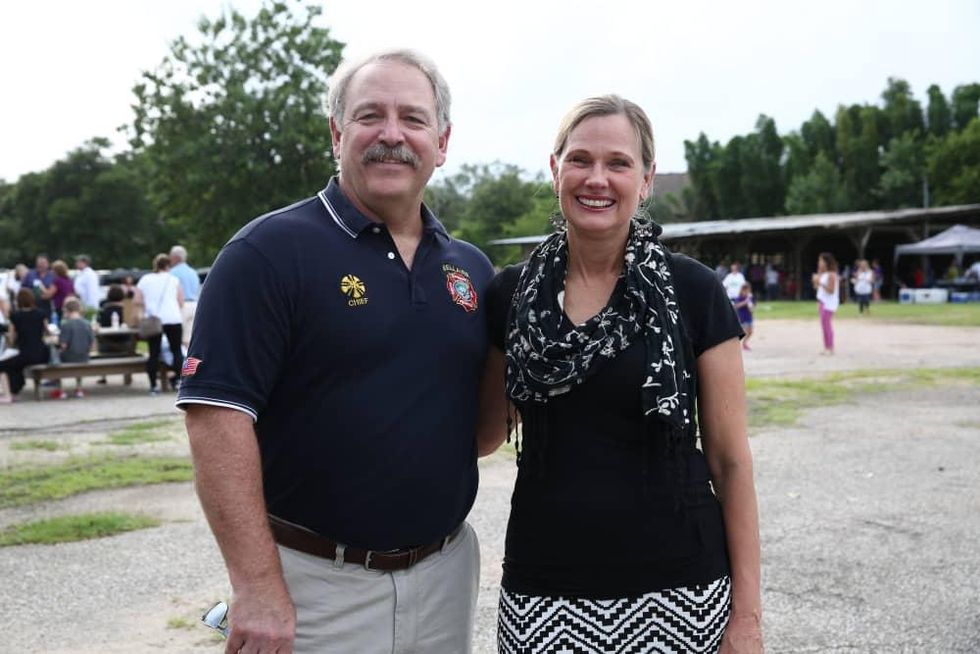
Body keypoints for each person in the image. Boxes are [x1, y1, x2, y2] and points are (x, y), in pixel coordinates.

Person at [177, 49, 493, 654]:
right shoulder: (267, 253)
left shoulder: (470, 269)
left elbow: (475, 431)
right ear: (336, 132)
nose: (392, 135)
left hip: (447, 574)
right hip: (312, 586)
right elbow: (216, 422)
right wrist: (257, 586)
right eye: (371, 115)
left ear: (443, 140)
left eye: (414, 119)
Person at [479, 96, 762, 653]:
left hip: (681, 590)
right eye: (580, 159)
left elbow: (731, 463)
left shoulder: (694, 292)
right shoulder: (510, 295)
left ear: (647, 178)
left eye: (619, 163)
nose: (597, 179)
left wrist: (747, 619)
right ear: (555, 168)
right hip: (543, 591)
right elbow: (482, 434)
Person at [137, 254, 184, 394]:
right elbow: (180, 301)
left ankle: (153, 386)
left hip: (154, 319)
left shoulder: (145, 279)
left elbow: (136, 300)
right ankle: (179, 381)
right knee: (177, 351)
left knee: (153, 353)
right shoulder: (173, 279)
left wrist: (149, 305)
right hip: (172, 318)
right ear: (168, 266)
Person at [0, 288, 50, 401]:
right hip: (42, 353)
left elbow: (11, 339)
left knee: (3, 365)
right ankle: (16, 388)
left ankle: (9, 394)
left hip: (25, 354)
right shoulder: (41, 313)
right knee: (14, 365)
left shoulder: (15, 316)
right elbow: (47, 331)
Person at [57, 297, 94, 398]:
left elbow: (63, 345)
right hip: (84, 356)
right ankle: (79, 388)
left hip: (69, 357)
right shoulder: (87, 323)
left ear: (67, 311)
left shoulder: (66, 325)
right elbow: (92, 344)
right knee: (78, 360)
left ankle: (62, 389)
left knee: (56, 358)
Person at [169, 245, 200, 347]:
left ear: (176, 258)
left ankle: (180, 362)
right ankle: (189, 363)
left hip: (181, 306)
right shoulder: (193, 272)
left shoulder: (172, 273)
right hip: (195, 305)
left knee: (178, 339)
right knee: (189, 340)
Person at [812, 252, 839, 355]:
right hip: (822, 302)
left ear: (826, 262)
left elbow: (831, 290)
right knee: (823, 325)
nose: (819, 262)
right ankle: (826, 347)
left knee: (827, 325)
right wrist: (816, 281)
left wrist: (819, 282)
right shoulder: (823, 274)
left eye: (821, 260)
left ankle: (830, 347)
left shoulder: (831, 275)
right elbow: (817, 288)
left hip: (829, 303)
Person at [734, 282, 756, 350]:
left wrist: (751, 307)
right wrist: (745, 302)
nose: (746, 292)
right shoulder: (740, 298)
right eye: (745, 290)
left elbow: (752, 308)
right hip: (742, 317)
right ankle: (737, 344)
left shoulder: (750, 298)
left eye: (748, 290)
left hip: (749, 317)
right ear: (742, 290)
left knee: (750, 332)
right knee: (745, 331)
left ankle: (744, 343)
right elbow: (736, 306)